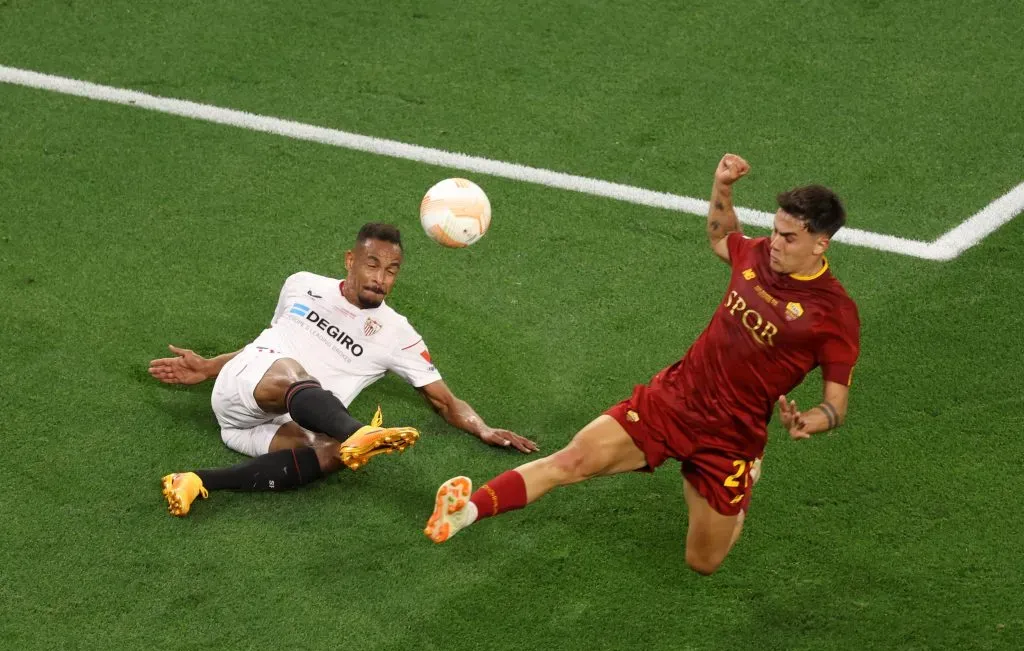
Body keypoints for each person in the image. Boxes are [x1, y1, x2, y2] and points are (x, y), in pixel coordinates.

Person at [424, 154, 860, 575]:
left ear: (821, 243)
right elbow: (721, 238)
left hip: (731, 437)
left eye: (789, 238)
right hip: (673, 398)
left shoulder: (833, 315)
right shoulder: (759, 255)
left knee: (702, 562)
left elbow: (836, 404)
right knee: (571, 460)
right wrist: (722, 185)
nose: (775, 243)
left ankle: (741, 483)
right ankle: (466, 511)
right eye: (775, 230)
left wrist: (809, 422)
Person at [152, 222, 537, 517]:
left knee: (334, 453)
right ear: (350, 260)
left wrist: (482, 427)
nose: (381, 278)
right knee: (292, 372)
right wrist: (210, 368)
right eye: (372, 265)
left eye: (392, 270)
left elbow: (445, 402)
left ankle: (198, 479)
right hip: (243, 393)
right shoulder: (302, 285)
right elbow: (264, 348)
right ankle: (360, 433)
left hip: (267, 429)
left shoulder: (398, 334)